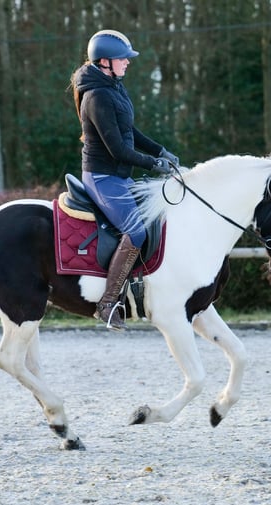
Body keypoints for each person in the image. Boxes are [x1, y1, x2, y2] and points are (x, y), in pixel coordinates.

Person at [70, 29, 179, 331]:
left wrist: (161, 151)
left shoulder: (115, 86)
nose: (128, 63)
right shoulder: (96, 96)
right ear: (105, 61)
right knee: (136, 231)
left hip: (119, 175)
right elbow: (117, 149)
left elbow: (131, 133)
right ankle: (107, 303)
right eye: (123, 59)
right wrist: (154, 163)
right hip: (102, 176)